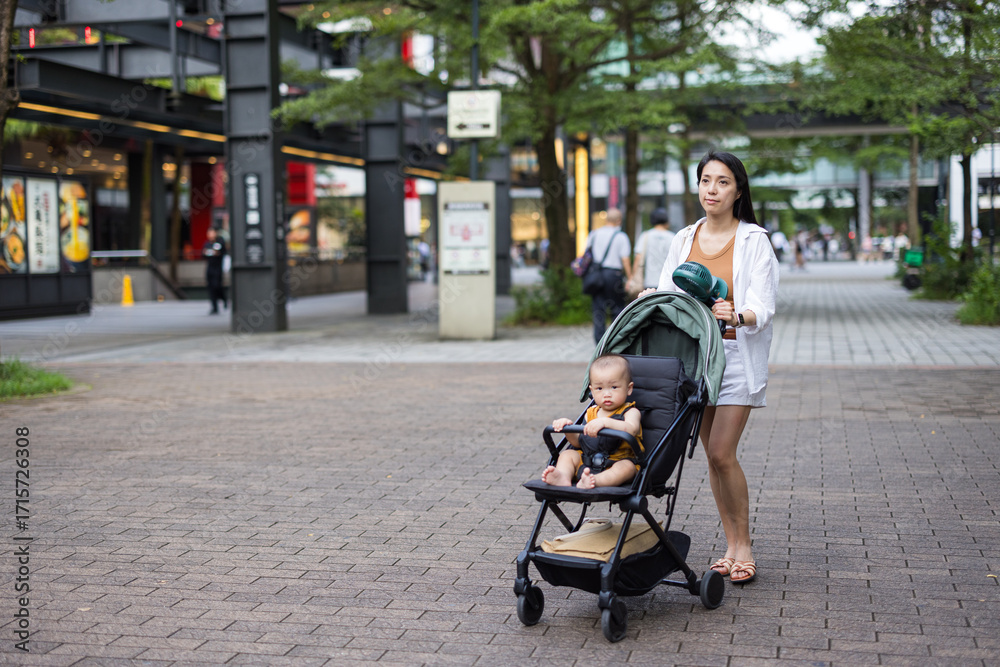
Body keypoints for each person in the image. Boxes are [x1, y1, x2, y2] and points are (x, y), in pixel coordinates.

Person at [640, 150, 779, 585]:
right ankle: (730, 545)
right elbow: (669, 292)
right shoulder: (684, 238)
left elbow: (764, 306)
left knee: (722, 452)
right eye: (705, 181)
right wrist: (651, 297)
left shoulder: (754, 240)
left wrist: (738, 314)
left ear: (738, 191)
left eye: (722, 182)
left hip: (735, 357)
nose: (712, 190)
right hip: (695, 359)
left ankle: (745, 547)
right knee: (712, 458)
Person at [542, 354, 643, 490]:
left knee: (627, 468)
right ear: (592, 391)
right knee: (568, 454)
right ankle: (563, 476)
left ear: (629, 388)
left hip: (616, 462)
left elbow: (631, 429)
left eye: (614, 387)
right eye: (599, 389)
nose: (607, 394)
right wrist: (568, 429)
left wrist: (606, 422)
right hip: (587, 462)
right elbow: (579, 442)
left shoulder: (630, 411)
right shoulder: (591, 413)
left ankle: (596, 481)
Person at [586, 208, 633, 344]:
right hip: (614, 275)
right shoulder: (621, 236)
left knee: (598, 309)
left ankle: (599, 342)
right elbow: (625, 259)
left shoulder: (594, 234)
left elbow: (586, 254)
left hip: (596, 275)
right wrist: (629, 278)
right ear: (618, 220)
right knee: (617, 308)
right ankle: (614, 342)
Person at [631, 207, 676, 294]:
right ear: (666, 220)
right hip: (668, 283)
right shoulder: (673, 237)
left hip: (649, 282)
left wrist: (633, 278)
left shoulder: (645, 236)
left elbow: (638, 258)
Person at [202, 227, 228, 314]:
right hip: (210, 268)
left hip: (218, 268)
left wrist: (214, 253)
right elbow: (204, 254)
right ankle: (214, 307)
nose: (210, 235)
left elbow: (222, 252)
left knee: (217, 286)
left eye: (212, 233)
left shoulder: (220, 242)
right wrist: (209, 253)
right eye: (209, 233)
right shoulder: (207, 243)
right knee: (211, 288)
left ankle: (224, 299)